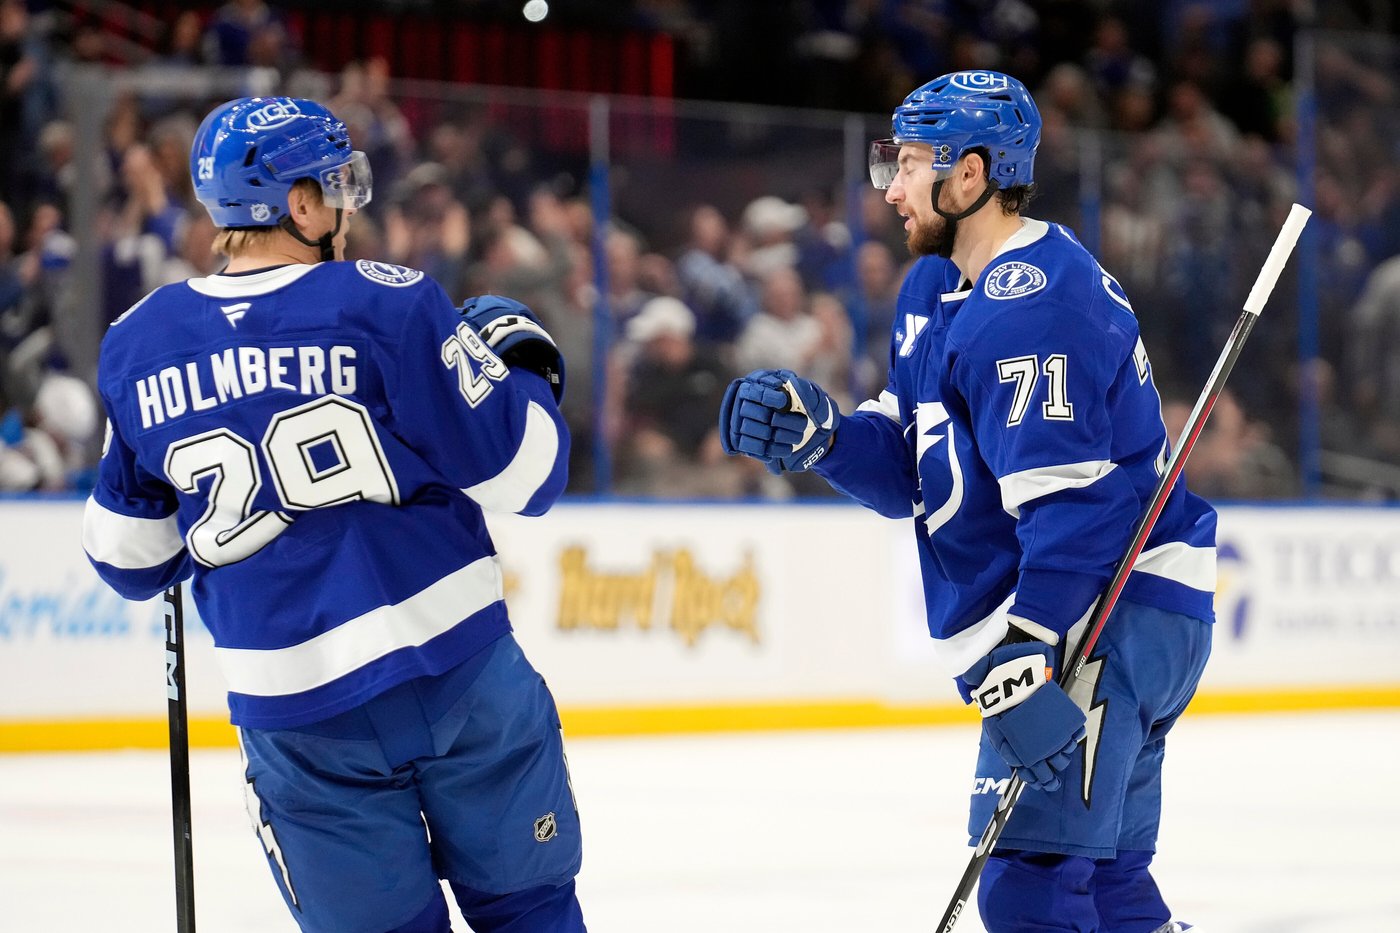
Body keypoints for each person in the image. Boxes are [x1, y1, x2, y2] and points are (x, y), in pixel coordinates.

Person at [719, 71, 1215, 933]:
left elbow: (1077, 507)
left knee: (1032, 889)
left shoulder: (1034, 303)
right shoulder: (935, 288)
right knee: (1107, 887)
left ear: (971, 175)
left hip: (1104, 608)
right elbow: (916, 466)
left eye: (910, 164)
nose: (892, 187)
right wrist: (825, 437)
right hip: (1115, 604)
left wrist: (1029, 643)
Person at [81, 97, 585, 933]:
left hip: (298, 720)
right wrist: (521, 369)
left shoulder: (139, 342)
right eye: (334, 186)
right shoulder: (389, 303)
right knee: (531, 912)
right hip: (461, 675)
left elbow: (129, 558)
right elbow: (529, 474)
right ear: (300, 205)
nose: (348, 206)